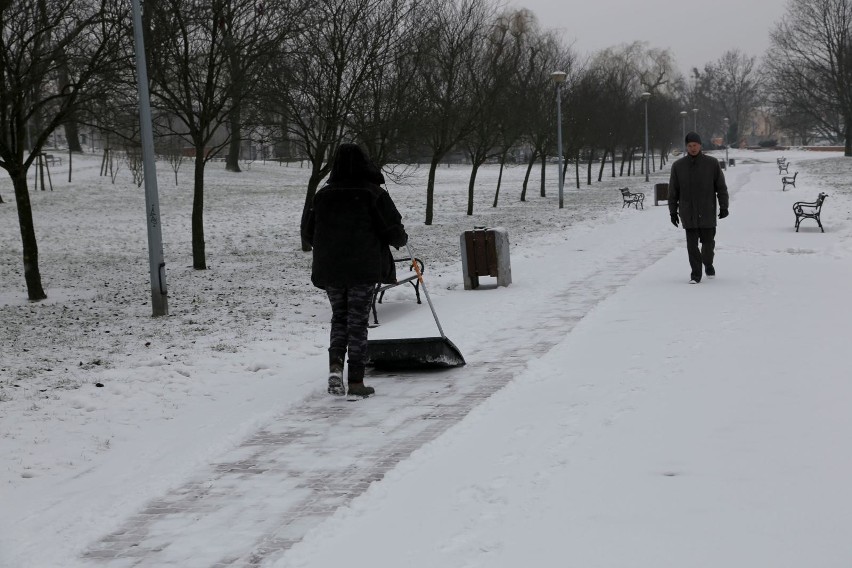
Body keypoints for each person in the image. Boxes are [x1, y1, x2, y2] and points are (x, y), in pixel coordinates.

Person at [301, 144, 408, 397]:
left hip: (331, 269)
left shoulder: (322, 196)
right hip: (363, 268)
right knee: (358, 322)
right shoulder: (373, 193)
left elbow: (307, 232)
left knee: (339, 318)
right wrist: (400, 239)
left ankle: (335, 368)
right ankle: (357, 382)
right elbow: (394, 232)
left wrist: (332, 246)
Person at [668, 132, 729, 284]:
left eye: (695, 145)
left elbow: (721, 188)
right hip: (688, 213)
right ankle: (695, 274)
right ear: (686, 147)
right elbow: (673, 191)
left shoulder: (712, 164)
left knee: (708, 245)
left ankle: (708, 263)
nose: (692, 148)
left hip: (707, 211)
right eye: (689, 146)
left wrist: (724, 206)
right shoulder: (678, 166)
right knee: (692, 246)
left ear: (700, 145)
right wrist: (672, 212)